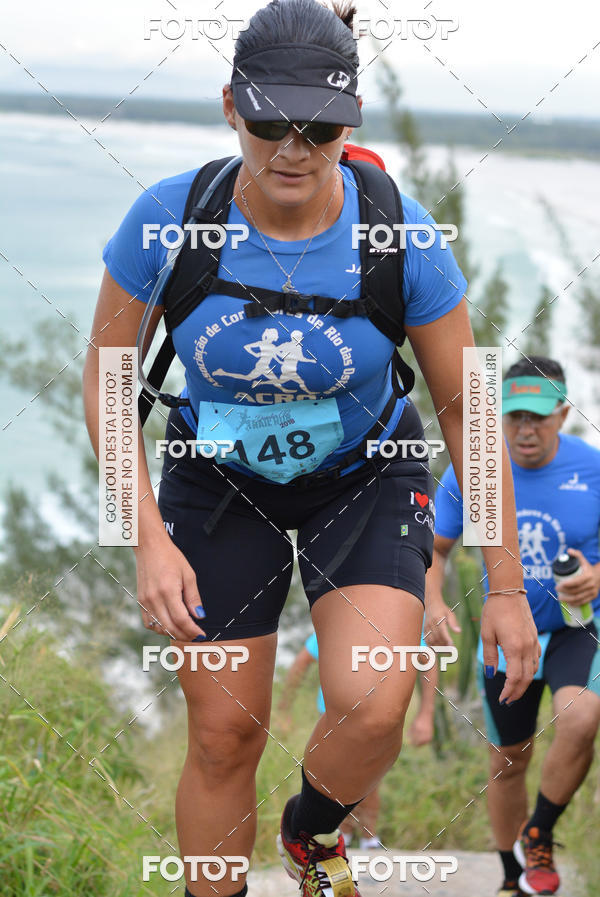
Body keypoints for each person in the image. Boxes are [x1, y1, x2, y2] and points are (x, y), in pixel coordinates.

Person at [83, 2, 539, 894]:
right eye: (267, 123)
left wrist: (510, 588)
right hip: (215, 479)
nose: (292, 147)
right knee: (223, 732)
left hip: (364, 478)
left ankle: (312, 830)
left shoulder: (403, 237)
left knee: (374, 701)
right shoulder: (165, 220)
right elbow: (107, 388)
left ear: (351, 123)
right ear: (228, 109)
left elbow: (467, 415)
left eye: (320, 126)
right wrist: (141, 537)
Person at [426, 356, 600, 897]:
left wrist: (595, 576)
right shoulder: (475, 469)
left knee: (581, 717)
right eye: (514, 416)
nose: (525, 429)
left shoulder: (592, 468)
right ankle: (511, 878)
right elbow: (435, 549)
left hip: (578, 627)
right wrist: (432, 601)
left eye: (538, 417)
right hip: (505, 637)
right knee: (507, 763)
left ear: (563, 414)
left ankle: (539, 832)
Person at [278, 629, 438, 848]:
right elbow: (302, 661)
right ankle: (341, 835)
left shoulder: (395, 618)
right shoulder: (339, 617)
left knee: (368, 776)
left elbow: (427, 659)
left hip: (375, 714)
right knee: (333, 776)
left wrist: (426, 715)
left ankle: (366, 838)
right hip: (332, 714)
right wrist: (284, 709)